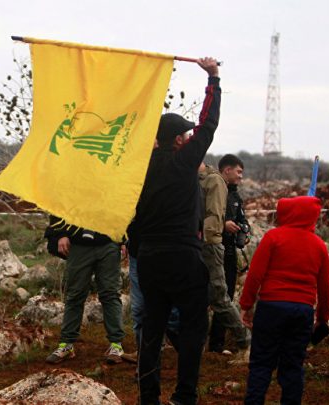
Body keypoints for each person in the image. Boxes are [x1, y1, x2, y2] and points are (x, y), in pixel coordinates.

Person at [132, 56, 220, 405]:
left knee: (152, 328)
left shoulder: (138, 169)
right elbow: (208, 124)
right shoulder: (184, 163)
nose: (187, 138)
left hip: (150, 258)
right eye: (184, 134)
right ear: (177, 140)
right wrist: (213, 79)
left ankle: (148, 397)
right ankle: (184, 396)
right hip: (183, 257)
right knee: (193, 328)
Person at [239, 196, 329, 405]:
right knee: (293, 366)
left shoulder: (273, 237)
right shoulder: (319, 245)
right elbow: (325, 288)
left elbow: (255, 275)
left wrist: (246, 305)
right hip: (302, 310)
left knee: (261, 364)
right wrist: (322, 318)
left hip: (271, 307)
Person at [44, 215, 127, 365]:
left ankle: (116, 345)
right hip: (78, 242)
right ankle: (66, 345)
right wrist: (61, 234)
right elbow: (58, 205)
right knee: (75, 295)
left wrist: (124, 238)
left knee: (110, 294)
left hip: (109, 241)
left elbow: (122, 205)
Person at [198, 162, 250, 356]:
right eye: (238, 172)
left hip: (209, 246)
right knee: (197, 299)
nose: (240, 176)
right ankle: (198, 344)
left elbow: (213, 219)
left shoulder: (214, 181)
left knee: (220, 298)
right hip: (199, 246)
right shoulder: (196, 179)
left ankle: (245, 342)